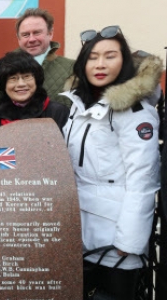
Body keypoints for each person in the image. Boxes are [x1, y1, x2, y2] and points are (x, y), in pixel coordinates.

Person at [62, 26, 161, 299]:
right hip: (78, 230)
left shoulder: (135, 112)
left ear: (124, 61)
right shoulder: (78, 105)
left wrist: (128, 241)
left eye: (110, 56)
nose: (100, 64)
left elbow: (142, 180)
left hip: (114, 239)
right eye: (93, 57)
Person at [0, 8, 74, 108]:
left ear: (50, 34)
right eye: (25, 34)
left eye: (37, 33)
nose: (31, 39)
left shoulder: (71, 68)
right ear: (18, 39)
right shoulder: (6, 68)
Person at [0, 51, 69, 130]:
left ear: (36, 80)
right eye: (13, 78)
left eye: (26, 76)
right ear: (4, 85)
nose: (21, 84)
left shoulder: (57, 112)